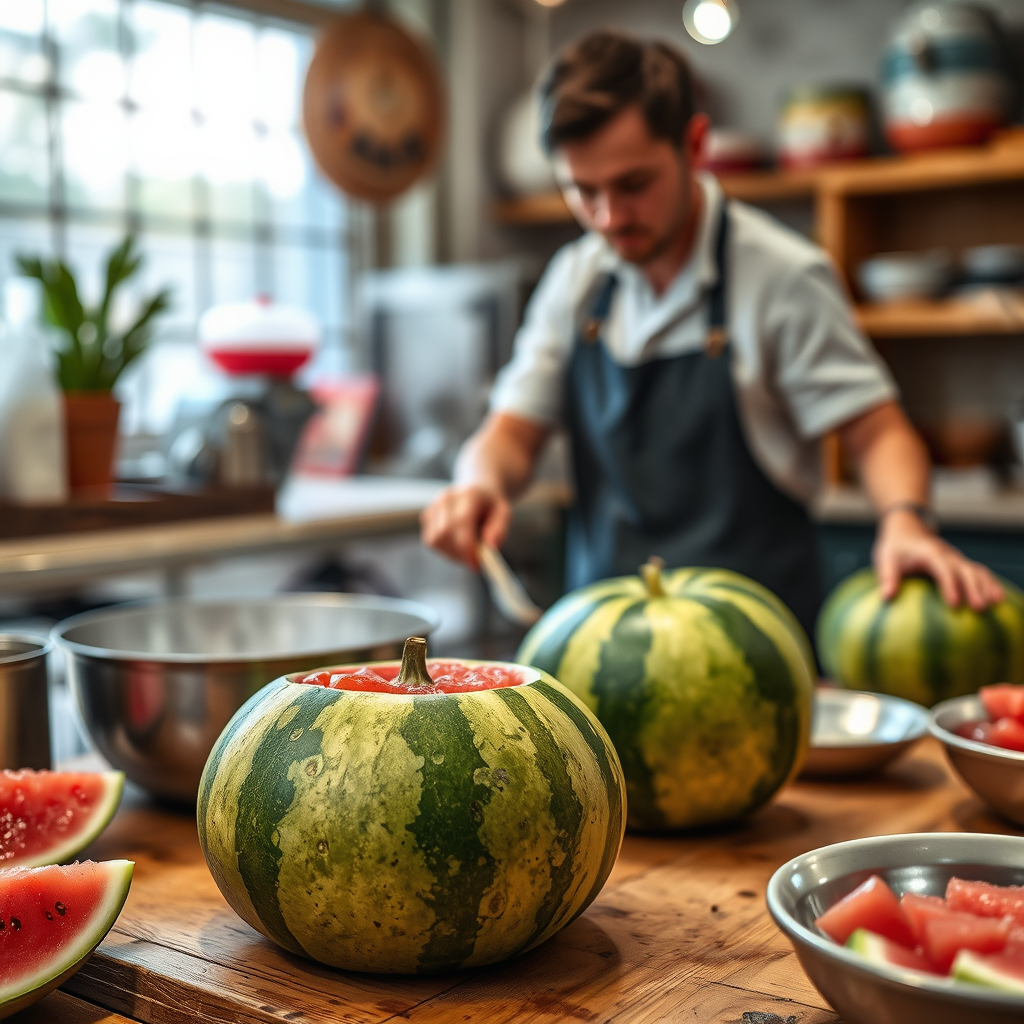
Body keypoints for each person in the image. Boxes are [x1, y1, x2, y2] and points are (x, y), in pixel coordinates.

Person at [421, 30, 1002, 635]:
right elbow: (512, 431)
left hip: (754, 649)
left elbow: (880, 434)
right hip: (604, 645)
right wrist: (478, 486)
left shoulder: (783, 276)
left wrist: (905, 521)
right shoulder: (576, 279)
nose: (609, 218)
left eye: (633, 184)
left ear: (694, 144)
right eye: (583, 191)